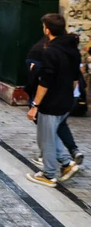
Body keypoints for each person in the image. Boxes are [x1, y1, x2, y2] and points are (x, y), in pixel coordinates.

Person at [26, 15, 82, 187]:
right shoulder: (72, 49)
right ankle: (66, 163)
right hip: (66, 100)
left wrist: (35, 105)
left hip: (51, 103)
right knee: (49, 135)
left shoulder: (50, 51)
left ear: (47, 29)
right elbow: (75, 78)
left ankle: (49, 174)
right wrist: (66, 95)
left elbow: (45, 82)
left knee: (46, 139)